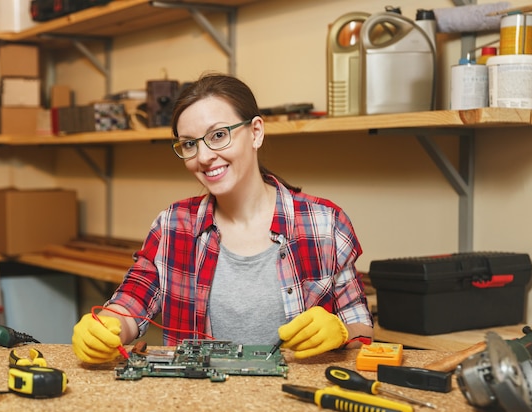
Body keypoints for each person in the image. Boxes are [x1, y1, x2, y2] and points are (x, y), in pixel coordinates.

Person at [72, 73, 373, 363]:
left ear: (256, 132)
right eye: (190, 144)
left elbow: (362, 330)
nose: (203, 157)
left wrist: (343, 332)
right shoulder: (173, 225)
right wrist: (104, 328)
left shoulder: (325, 224)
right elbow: (130, 305)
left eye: (218, 135)